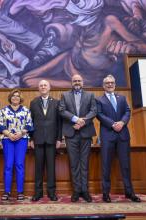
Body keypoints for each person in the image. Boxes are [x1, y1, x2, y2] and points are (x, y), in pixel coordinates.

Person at [96, 74, 141, 203]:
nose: (110, 85)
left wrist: (122, 122)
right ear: (103, 86)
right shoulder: (99, 100)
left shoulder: (122, 98)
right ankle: (106, 193)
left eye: (112, 82)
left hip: (123, 135)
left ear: (115, 84)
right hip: (107, 135)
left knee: (125, 165)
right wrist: (113, 124)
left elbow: (127, 111)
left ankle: (129, 192)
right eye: (107, 83)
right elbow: (99, 114)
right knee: (106, 165)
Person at [59, 74, 97, 203]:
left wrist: (83, 122)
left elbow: (94, 111)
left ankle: (85, 191)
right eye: (74, 81)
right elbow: (62, 111)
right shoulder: (65, 95)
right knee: (74, 163)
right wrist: (76, 119)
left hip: (86, 133)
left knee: (84, 163)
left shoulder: (90, 95)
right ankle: (76, 191)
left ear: (83, 82)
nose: (77, 82)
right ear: (71, 82)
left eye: (79, 80)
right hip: (71, 134)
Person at [0, 89, 33, 201]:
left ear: (20, 98)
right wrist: (9, 134)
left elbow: (29, 125)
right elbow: (0, 125)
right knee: (8, 165)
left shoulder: (26, 110)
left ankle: (20, 192)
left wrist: (20, 133)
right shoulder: (3, 110)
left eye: (17, 96)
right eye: (13, 96)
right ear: (10, 98)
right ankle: (6, 192)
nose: (15, 98)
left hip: (21, 140)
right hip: (8, 140)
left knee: (19, 164)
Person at [30, 80, 62, 202]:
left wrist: (59, 138)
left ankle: (51, 193)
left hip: (52, 140)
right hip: (37, 140)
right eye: (41, 86)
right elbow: (31, 122)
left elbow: (59, 122)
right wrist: (31, 138)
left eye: (45, 85)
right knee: (38, 168)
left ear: (49, 88)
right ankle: (37, 193)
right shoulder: (33, 103)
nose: (43, 87)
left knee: (51, 168)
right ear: (39, 88)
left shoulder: (56, 103)